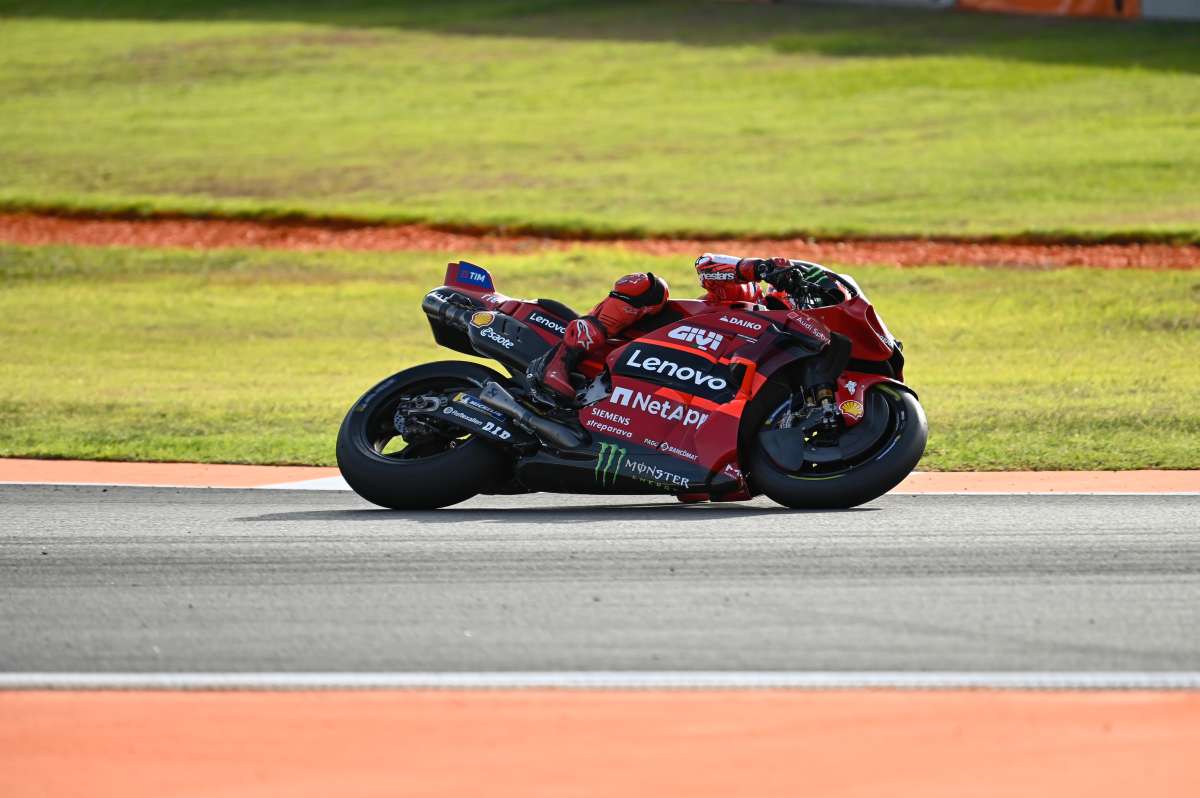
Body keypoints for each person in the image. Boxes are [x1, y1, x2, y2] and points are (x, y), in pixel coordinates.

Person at [529, 253, 842, 401]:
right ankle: (557, 361)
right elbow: (705, 264)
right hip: (649, 341)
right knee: (648, 286)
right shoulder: (751, 296)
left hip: (671, 389)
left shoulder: (784, 348)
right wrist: (757, 268)